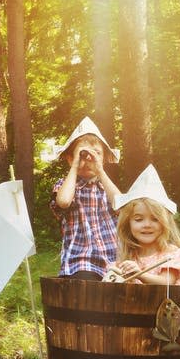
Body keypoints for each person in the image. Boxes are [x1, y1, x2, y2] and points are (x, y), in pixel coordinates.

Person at [50, 116, 122, 280]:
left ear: (103, 158)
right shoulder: (66, 185)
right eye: (83, 155)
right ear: (70, 159)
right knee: (87, 290)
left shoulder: (106, 186)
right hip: (81, 260)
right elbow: (63, 201)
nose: (89, 160)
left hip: (115, 259)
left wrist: (100, 171)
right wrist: (76, 165)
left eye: (96, 154)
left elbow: (122, 206)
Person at [107, 164, 180, 286]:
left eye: (155, 219)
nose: (147, 225)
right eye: (138, 219)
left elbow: (167, 282)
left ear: (164, 223)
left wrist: (140, 274)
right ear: (128, 224)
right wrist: (115, 276)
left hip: (164, 305)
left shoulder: (170, 254)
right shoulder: (129, 256)